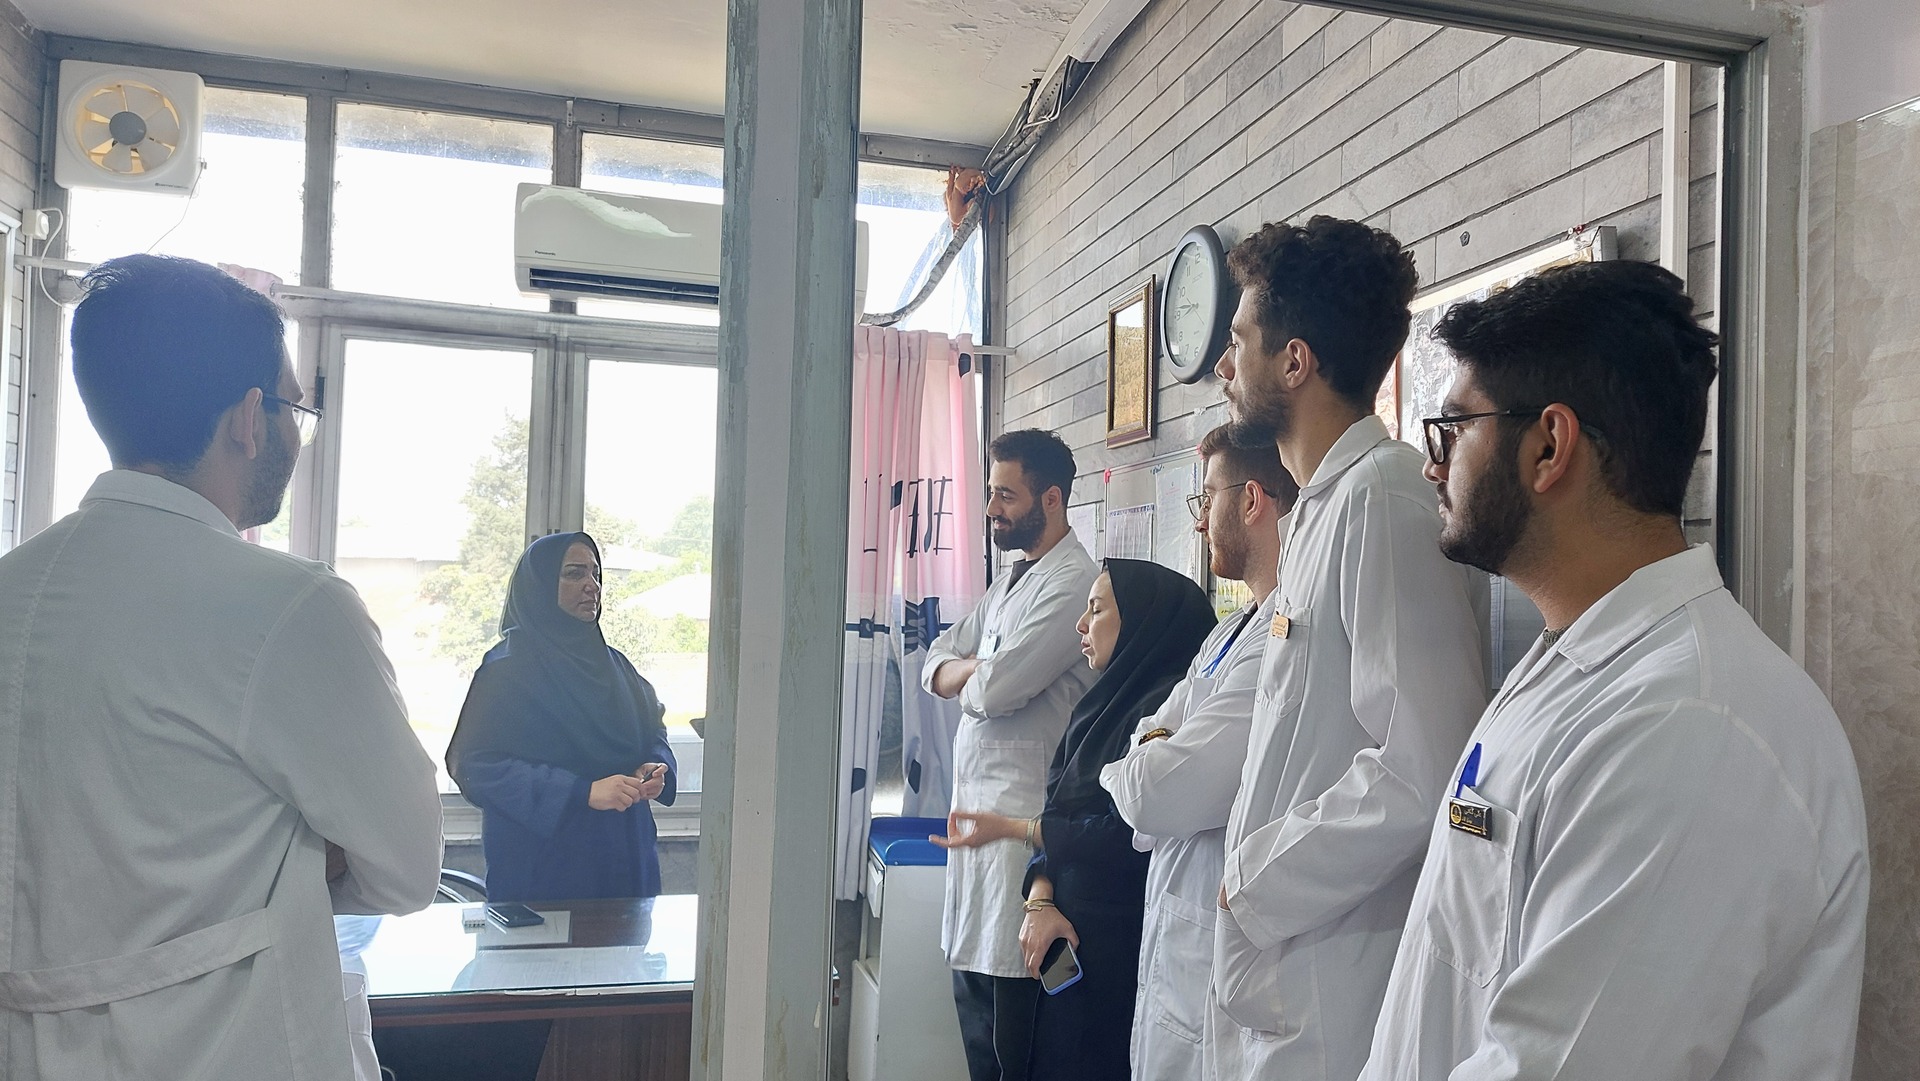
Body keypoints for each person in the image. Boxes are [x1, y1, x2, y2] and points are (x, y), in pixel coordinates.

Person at [1360, 261, 1870, 1080]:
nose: (1433, 465)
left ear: (1548, 446)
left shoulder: (1690, 731)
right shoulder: (1575, 664)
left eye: (1453, 430)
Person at [0, 254, 443, 1079]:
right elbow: (409, 865)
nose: (295, 432)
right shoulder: (291, 609)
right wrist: (289, 852)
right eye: (294, 408)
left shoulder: (11, 588)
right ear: (249, 419)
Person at [1212, 217, 1489, 1081]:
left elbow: (1425, 766)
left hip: (1336, 981)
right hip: (1288, 974)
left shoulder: (1383, 497)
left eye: (1239, 341)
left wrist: (1253, 882)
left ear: (1295, 361)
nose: (1223, 367)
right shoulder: (1322, 509)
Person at [938, 559, 1217, 1080]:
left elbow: (1126, 831)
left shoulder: (1166, 710)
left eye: (1096, 609)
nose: (1081, 625)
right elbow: (1059, 806)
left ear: (1142, 620)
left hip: (1113, 947)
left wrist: (1016, 829)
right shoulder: (1097, 705)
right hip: (1057, 934)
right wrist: (1040, 897)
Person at [1099, 425, 1296, 1081]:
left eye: (1207, 498)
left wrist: (1156, 751)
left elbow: (1159, 793)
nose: (1199, 521)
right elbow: (1149, 747)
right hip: (1176, 940)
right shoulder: (1228, 633)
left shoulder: (1281, 643)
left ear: (1252, 500)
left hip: (1220, 960)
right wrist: (1157, 748)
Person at [923, 428, 1100, 1081]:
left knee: (1013, 1051)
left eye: (1006, 494)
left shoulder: (1074, 582)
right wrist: (975, 667)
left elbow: (995, 689)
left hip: (1023, 852)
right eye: (991, 493)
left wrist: (973, 673)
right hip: (979, 849)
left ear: (1051, 498)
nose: (991, 508)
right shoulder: (1009, 582)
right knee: (978, 1042)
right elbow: (935, 660)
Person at [447, 531, 676, 904]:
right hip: (545, 869)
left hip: (627, 861)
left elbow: (653, 727)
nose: (592, 586)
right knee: (547, 945)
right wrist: (580, 792)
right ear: (539, 586)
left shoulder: (615, 666)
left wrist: (653, 767)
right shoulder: (507, 671)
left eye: (596, 574)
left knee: (627, 944)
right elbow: (475, 765)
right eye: (574, 574)